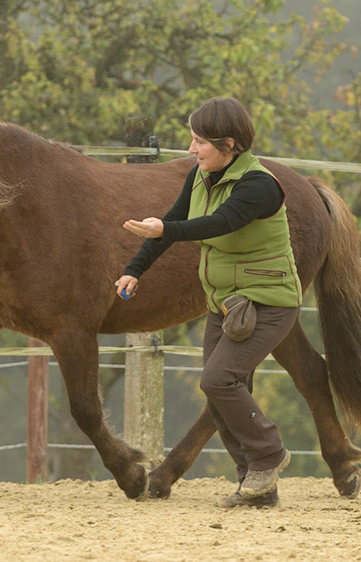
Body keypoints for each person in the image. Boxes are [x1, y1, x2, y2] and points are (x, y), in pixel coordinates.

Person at [116, 96, 302, 509]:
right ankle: (256, 487)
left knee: (218, 380)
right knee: (221, 394)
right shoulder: (200, 176)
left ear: (228, 144)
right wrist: (135, 269)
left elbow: (219, 223)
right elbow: (169, 224)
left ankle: (269, 453)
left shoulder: (259, 186)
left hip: (267, 301)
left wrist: (165, 226)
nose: (190, 149)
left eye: (199, 140)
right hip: (225, 302)